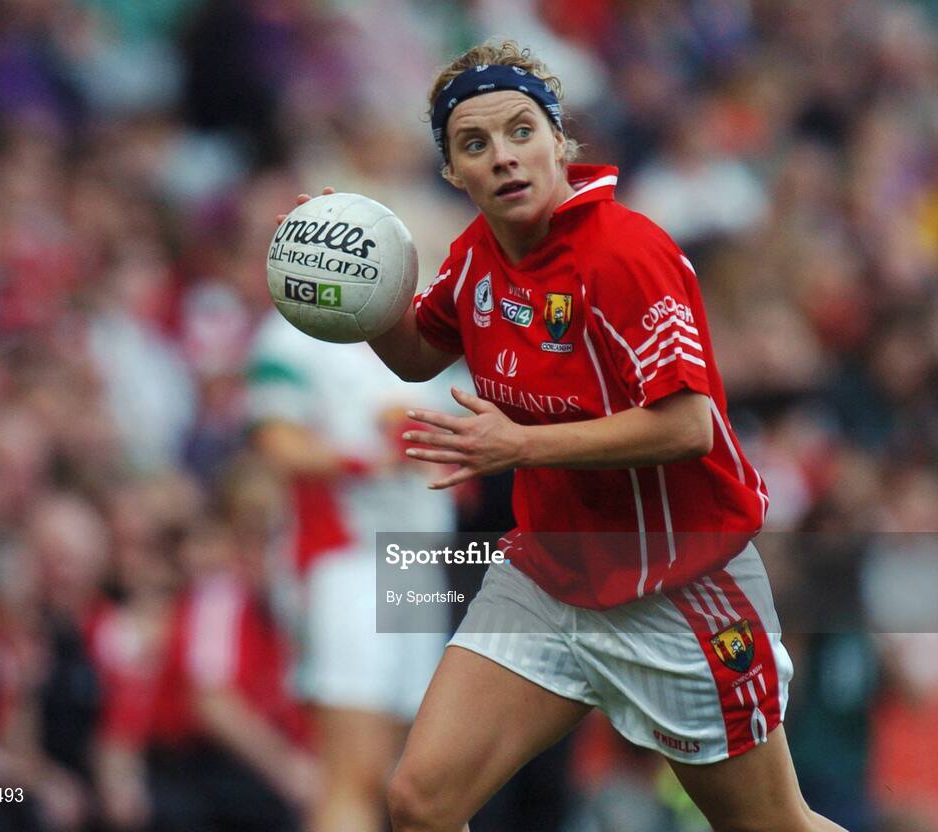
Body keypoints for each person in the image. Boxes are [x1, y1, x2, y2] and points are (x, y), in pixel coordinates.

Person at [280, 39, 847, 832]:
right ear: (453, 172)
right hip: (547, 577)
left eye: (521, 131)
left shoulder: (625, 254)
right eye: (475, 144)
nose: (504, 157)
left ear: (558, 140)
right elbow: (415, 354)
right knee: (418, 804)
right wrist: (361, 289)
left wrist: (521, 447)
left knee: (771, 826)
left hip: (679, 586)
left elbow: (690, 426)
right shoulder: (479, 255)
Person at [247, 311, 461, 832]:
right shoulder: (295, 335)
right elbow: (277, 442)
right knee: (353, 771)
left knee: (406, 777)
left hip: (417, 559)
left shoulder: (426, 335)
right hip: (345, 557)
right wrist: (371, 459)